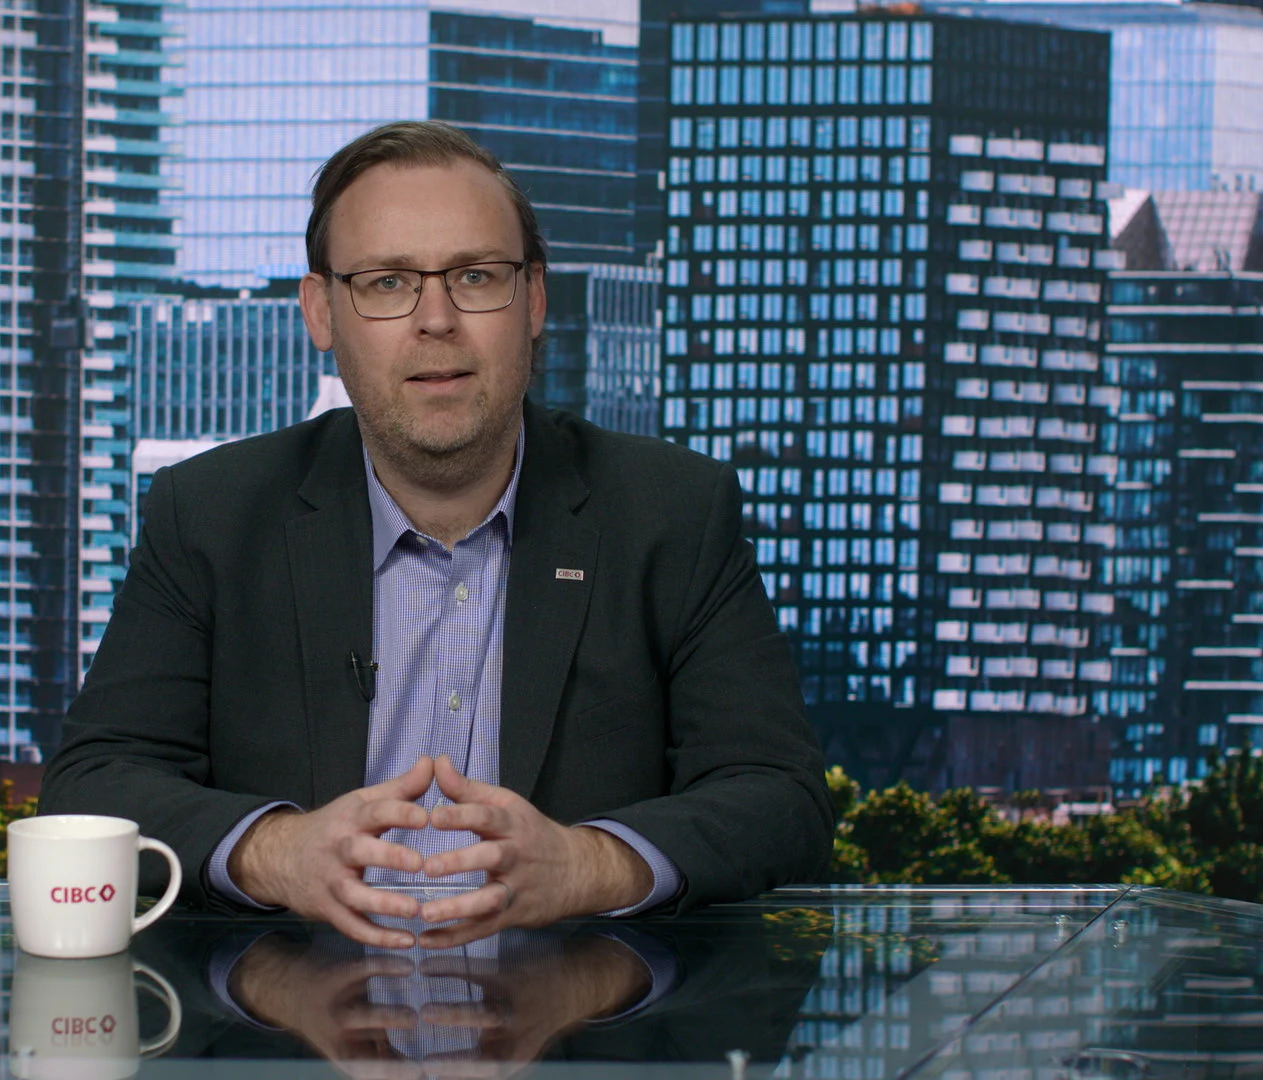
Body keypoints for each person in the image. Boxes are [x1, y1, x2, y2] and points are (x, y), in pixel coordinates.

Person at [43, 120, 831, 949]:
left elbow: (779, 799)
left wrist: (588, 866)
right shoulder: (210, 514)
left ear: (533, 300)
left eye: (476, 276)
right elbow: (94, 786)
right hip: (289, 1038)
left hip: (583, 1038)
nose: (436, 320)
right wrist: (274, 852)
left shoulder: (672, 512)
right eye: (387, 283)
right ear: (321, 312)